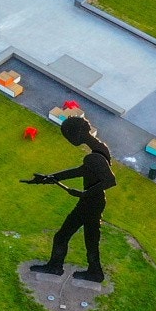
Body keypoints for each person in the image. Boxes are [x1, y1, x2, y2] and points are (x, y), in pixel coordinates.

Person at [27, 114, 116, 282]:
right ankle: (95, 272)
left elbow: (110, 181)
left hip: (90, 203)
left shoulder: (94, 156)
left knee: (63, 236)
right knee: (91, 239)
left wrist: (84, 193)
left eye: (69, 136)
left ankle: (56, 267)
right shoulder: (100, 149)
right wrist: (49, 178)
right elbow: (83, 171)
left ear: (78, 133)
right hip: (94, 202)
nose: (69, 140)